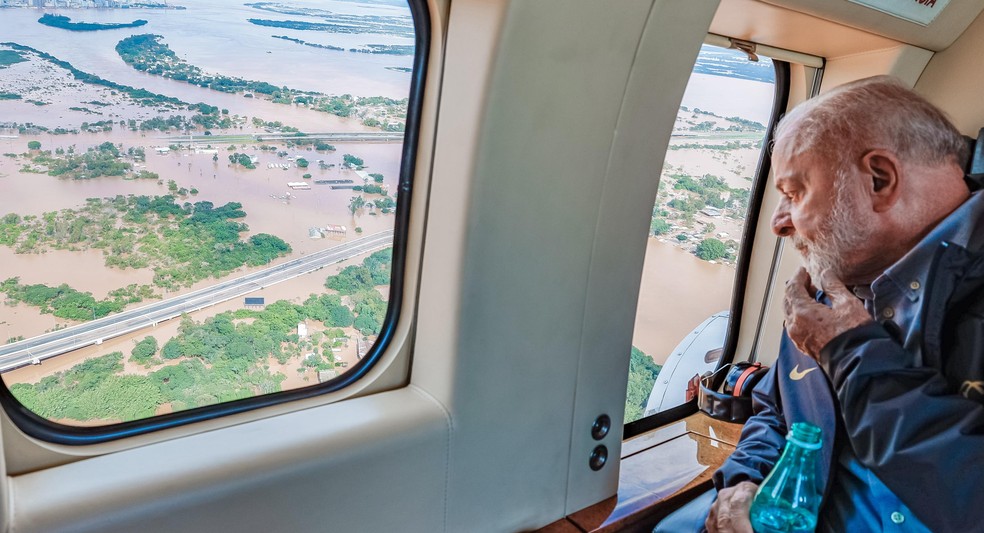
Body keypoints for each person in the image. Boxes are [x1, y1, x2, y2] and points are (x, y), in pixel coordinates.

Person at [668, 75, 984, 533]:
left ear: (879, 180)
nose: (779, 222)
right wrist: (743, 480)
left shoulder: (832, 325)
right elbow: (778, 409)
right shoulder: (830, 285)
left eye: (794, 193)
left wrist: (852, 352)